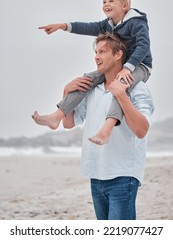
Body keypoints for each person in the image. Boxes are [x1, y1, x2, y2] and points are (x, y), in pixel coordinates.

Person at [32, 0, 152, 145]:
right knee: (86, 79)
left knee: (120, 86)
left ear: (125, 5)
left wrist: (127, 68)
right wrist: (62, 26)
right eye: (104, 1)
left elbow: (143, 46)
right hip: (119, 67)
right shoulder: (109, 25)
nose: (106, 4)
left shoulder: (136, 23)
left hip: (140, 66)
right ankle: (57, 116)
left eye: (111, 1)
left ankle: (107, 129)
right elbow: (87, 27)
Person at [62, 33, 154, 220]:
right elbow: (68, 123)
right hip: (96, 174)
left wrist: (121, 95)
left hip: (123, 175)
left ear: (118, 54)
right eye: (96, 52)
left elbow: (141, 130)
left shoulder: (138, 88)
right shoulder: (93, 89)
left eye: (102, 51)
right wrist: (66, 92)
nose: (96, 56)